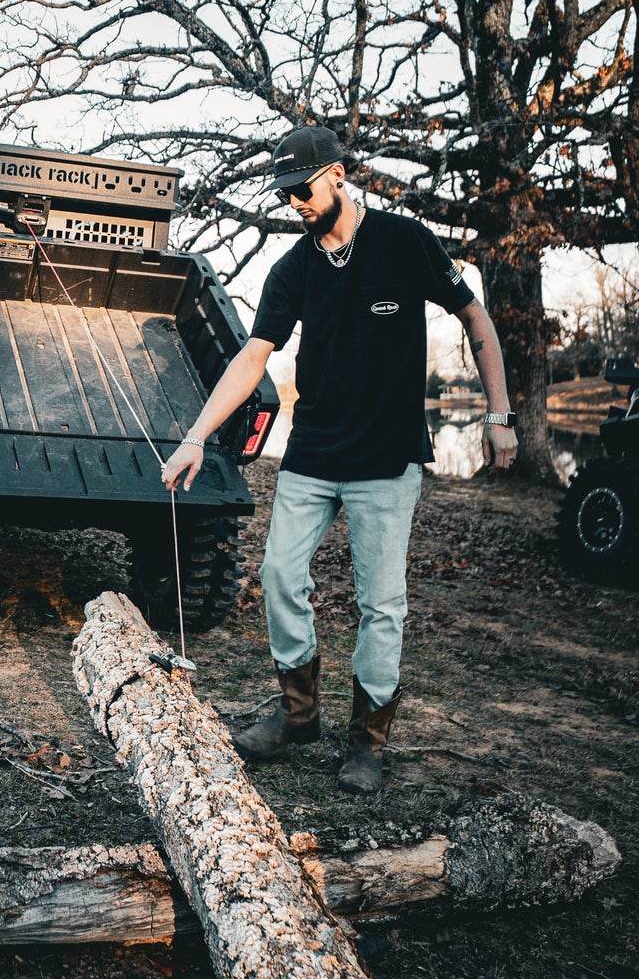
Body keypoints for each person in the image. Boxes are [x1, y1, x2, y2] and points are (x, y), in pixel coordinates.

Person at [161, 126, 519, 794]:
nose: (294, 201)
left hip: (387, 459)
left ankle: (367, 741)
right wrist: (196, 436)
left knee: (381, 603)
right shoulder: (292, 270)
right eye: (284, 194)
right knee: (276, 571)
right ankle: (299, 717)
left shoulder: (404, 241)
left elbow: (477, 321)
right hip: (314, 453)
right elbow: (252, 358)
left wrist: (498, 416)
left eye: (302, 189)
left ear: (337, 175)